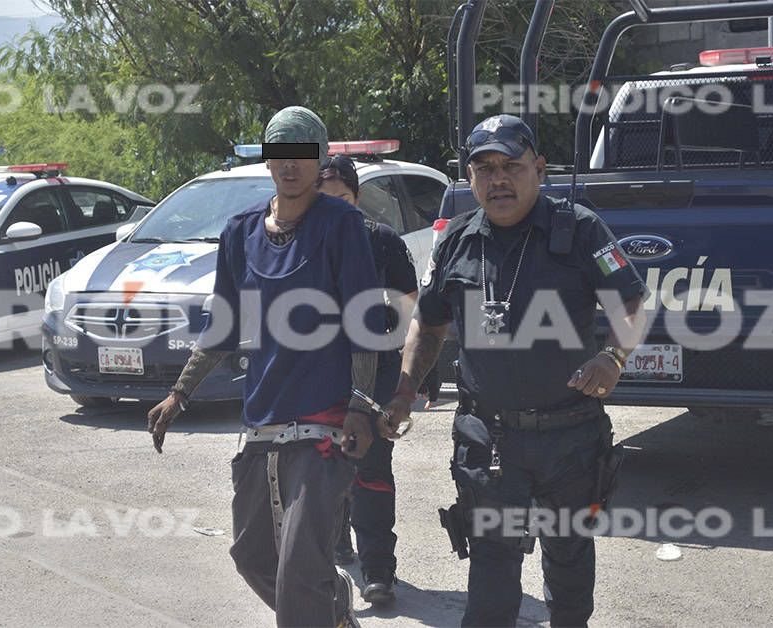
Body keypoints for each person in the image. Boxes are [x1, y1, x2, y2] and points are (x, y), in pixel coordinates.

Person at [378, 115, 648, 627]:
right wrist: (404, 390)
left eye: (511, 166)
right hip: (488, 439)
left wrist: (612, 357)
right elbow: (428, 326)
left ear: (539, 170)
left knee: (569, 567)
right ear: (469, 176)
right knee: (491, 574)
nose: (498, 178)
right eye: (484, 168)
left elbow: (630, 302)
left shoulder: (581, 229)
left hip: (569, 438)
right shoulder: (455, 239)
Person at [146, 106, 385, 628]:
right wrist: (180, 394)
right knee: (253, 556)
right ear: (267, 160)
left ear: (320, 159)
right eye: (280, 153)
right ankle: (334, 610)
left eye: (302, 154)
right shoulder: (240, 231)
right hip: (262, 419)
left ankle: (320, 609)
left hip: (323, 421)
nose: (290, 165)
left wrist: (362, 406)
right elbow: (224, 326)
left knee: (301, 567)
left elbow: (365, 321)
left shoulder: (342, 224)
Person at [318, 155, 417, 605]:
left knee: (372, 467)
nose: (333, 207)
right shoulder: (306, 244)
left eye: (341, 198)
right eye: (324, 199)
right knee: (323, 461)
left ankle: (379, 567)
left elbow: (410, 309)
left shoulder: (383, 243)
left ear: (356, 197)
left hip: (376, 373)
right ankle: (337, 540)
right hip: (321, 373)